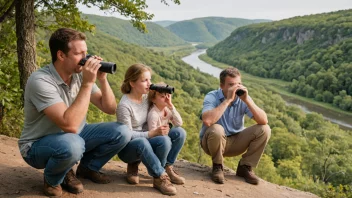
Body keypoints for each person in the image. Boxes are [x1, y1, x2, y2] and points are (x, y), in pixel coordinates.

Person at [18, 28, 131, 197]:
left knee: (122, 131)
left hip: (75, 135)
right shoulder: (40, 80)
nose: (86, 58)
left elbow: (109, 108)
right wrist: (87, 84)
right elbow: (69, 125)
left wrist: (101, 79)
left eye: (86, 52)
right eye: (79, 54)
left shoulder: (78, 75)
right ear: (61, 55)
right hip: (38, 145)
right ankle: (53, 179)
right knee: (73, 144)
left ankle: (87, 168)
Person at [116, 64, 186, 196]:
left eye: (150, 79)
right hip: (129, 148)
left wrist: (168, 104)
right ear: (132, 83)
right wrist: (153, 133)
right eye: (144, 80)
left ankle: (166, 167)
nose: (149, 84)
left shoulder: (146, 97)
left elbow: (162, 110)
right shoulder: (124, 106)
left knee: (179, 133)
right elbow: (126, 135)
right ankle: (158, 176)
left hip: (148, 139)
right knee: (146, 142)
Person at [200, 67, 271, 185]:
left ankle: (245, 167)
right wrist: (227, 100)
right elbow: (207, 121)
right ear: (222, 86)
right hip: (212, 142)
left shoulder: (243, 98)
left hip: (235, 142)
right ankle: (217, 167)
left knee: (264, 129)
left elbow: (264, 120)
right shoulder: (212, 96)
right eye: (231, 84)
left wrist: (247, 100)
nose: (236, 87)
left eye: (239, 84)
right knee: (217, 129)